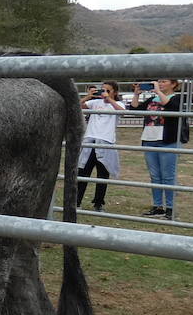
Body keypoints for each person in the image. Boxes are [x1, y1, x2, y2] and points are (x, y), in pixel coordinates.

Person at [131, 77, 183, 219]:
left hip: (168, 141)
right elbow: (135, 109)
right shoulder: (152, 99)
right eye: (159, 82)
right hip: (149, 140)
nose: (160, 84)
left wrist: (159, 92)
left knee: (168, 177)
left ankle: (170, 209)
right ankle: (158, 207)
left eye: (164, 82)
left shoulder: (177, 98)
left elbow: (171, 107)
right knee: (155, 176)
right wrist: (136, 94)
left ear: (174, 84)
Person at [77, 81, 123, 213]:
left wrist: (109, 100)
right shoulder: (95, 103)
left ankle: (98, 203)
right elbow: (79, 106)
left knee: (102, 175)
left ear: (114, 92)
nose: (104, 93)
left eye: (108, 90)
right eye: (103, 90)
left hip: (106, 142)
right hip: (90, 141)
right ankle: (76, 201)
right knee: (83, 173)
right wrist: (88, 96)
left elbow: (122, 111)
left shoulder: (118, 104)